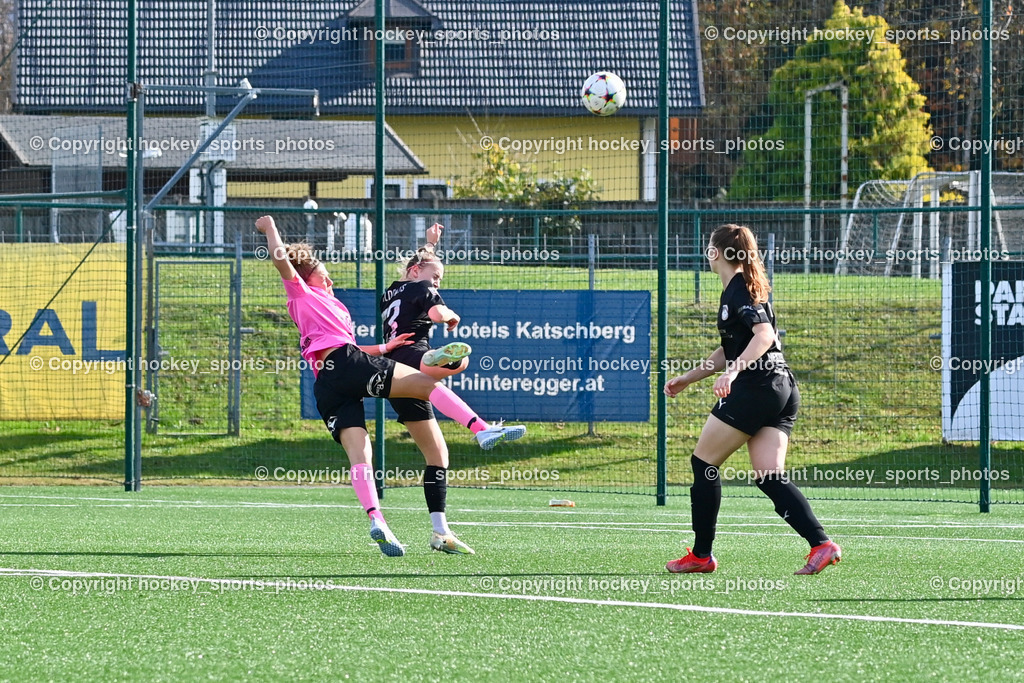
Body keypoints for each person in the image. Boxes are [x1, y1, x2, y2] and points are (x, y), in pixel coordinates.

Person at [255, 215, 525, 558]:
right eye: (324, 272)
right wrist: (271, 229)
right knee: (427, 384)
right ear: (309, 278)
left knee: (360, 455)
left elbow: (341, 343)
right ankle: (481, 428)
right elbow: (280, 258)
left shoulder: (332, 307)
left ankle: (378, 521)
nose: (330, 277)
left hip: (329, 382)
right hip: (345, 365)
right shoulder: (302, 292)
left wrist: (384, 348)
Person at [663, 224, 841, 575]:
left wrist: (732, 373)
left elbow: (763, 336)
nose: (706, 253)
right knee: (769, 476)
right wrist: (689, 377)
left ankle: (701, 556)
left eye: (707, 248)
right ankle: (822, 544)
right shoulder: (742, 288)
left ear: (716, 253)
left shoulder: (740, 289)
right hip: (781, 387)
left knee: (704, 464)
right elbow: (732, 348)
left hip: (757, 386)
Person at [380, 224, 476, 554]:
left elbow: (421, 266)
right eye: (436, 277)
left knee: (437, 456)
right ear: (418, 271)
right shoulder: (424, 288)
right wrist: (448, 316)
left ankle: (440, 532)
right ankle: (437, 359)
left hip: (395, 377)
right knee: (458, 362)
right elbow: (437, 309)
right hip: (412, 358)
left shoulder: (391, 292)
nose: (438, 283)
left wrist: (431, 245)